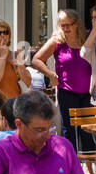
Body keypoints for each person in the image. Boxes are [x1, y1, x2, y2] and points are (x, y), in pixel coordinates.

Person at [32, 9, 92, 146]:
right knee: (70, 131)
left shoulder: (87, 37)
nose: (65, 28)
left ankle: (89, 167)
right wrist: (50, 74)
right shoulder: (57, 41)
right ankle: (70, 162)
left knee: (88, 131)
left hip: (88, 92)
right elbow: (36, 59)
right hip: (67, 92)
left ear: (77, 24)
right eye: (62, 25)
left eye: (68, 25)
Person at [0, 18, 31, 99]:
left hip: (14, 104)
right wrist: (3, 57)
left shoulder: (16, 55)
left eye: (6, 32)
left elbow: (28, 83)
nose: (2, 35)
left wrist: (21, 67)